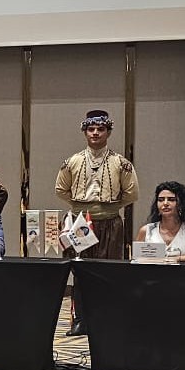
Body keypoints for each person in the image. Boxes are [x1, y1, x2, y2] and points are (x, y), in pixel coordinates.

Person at [54, 109, 138, 260]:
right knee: (79, 264)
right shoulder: (72, 162)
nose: (95, 133)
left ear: (108, 132)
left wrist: (111, 207)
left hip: (110, 223)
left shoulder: (121, 163)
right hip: (79, 221)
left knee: (109, 266)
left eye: (100, 129)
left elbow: (131, 193)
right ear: (85, 132)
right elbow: (60, 190)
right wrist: (79, 205)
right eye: (91, 129)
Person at [137, 181, 185, 261]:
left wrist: (175, 259)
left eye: (171, 199)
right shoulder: (146, 230)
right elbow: (136, 258)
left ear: (181, 204)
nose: (165, 203)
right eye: (161, 200)